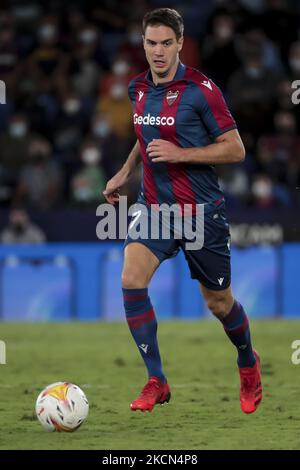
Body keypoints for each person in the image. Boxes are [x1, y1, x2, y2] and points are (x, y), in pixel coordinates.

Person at [103, 8, 262, 414]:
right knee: (131, 277)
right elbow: (146, 134)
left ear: (179, 44)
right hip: (154, 206)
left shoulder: (201, 89)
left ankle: (247, 360)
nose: (158, 51)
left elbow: (235, 148)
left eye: (166, 43)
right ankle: (157, 379)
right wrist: (124, 171)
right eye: (151, 43)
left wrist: (182, 153)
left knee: (219, 303)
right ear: (143, 44)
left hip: (200, 212)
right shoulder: (138, 88)